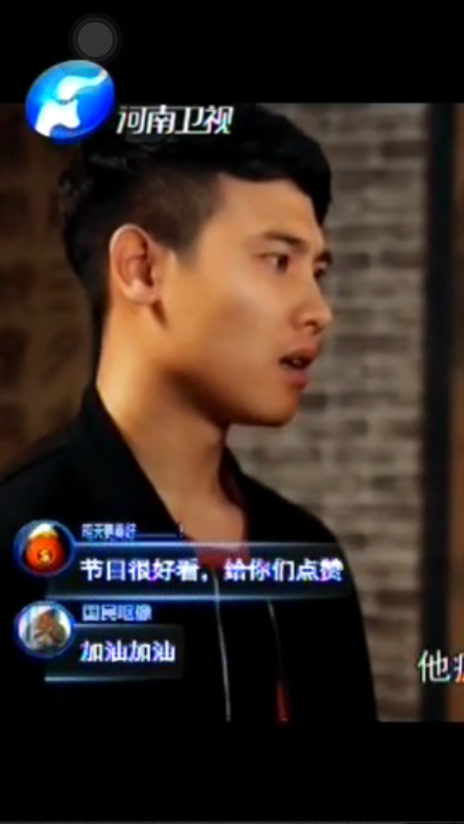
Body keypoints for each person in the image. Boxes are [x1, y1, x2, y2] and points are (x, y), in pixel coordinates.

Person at [0, 103, 377, 731]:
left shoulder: (307, 556)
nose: (318, 310)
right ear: (141, 268)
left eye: (317, 271)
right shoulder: (23, 538)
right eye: (278, 262)